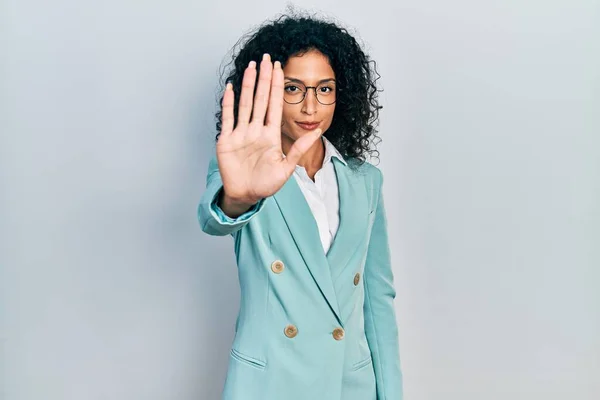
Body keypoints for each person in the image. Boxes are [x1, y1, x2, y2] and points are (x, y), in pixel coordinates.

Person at [198, 11, 403, 400]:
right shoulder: (247, 173)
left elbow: (377, 301)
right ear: (268, 95)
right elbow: (216, 218)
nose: (311, 107)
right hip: (271, 383)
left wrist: (390, 394)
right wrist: (241, 197)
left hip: (350, 385)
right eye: (293, 89)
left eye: (324, 89)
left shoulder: (366, 182)